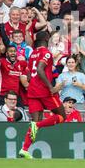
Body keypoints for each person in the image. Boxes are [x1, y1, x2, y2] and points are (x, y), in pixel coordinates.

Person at [19, 31, 66, 159]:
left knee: (36, 119)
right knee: (62, 115)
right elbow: (40, 69)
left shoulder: (33, 53)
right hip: (44, 90)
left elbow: (29, 72)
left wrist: (32, 83)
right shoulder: (46, 53)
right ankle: (38, 125)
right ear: (46, 39)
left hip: (32, 90)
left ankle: (24, 149)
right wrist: (51, 87)